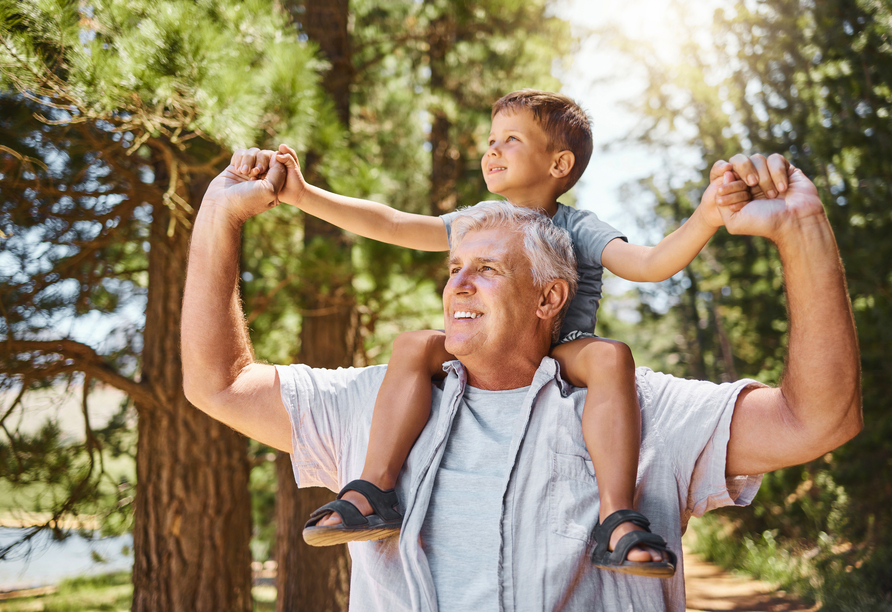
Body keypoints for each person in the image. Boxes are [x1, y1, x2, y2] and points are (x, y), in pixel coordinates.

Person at [181, 151, 861, 611]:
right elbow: (218, 382)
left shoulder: (636, 407)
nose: (458, 284)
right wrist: (219, 214)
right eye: (453, 269)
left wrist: (801, 231)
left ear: (547, 299)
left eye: (487, 270)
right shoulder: (379, 399)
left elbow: (819, 419)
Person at [230, 90, 754, 575]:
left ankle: (616, 517)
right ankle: (373, 492)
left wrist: (707, 216)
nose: (492, 150)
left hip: (560, 350)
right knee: (413, 344)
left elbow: (650, 263)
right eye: (490, 140)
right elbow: (391, 224)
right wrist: (303, 195)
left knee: (611, 356)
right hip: (484, 348)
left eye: (511, 139)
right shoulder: (478, 219)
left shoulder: (579, 227)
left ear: (559, 164)